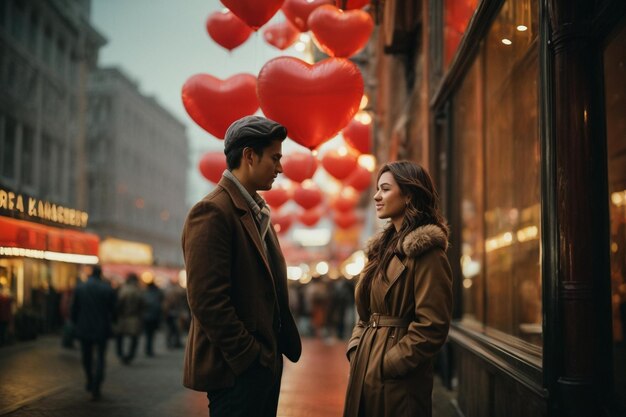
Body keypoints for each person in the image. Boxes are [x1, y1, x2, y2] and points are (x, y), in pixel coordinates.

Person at [181, 115, 302, 417]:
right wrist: (249, 356)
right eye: (274, 158)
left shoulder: (257, 210)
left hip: (262, 368)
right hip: (236, 373)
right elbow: (207, 301)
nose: (280, 167)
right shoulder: (212, 211)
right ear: (249, 156)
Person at [343, 161, 453, 417]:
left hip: (397, 376)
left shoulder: (426, 252)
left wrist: (390, 363)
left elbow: (433, 325)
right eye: (377, 189)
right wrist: (357, 347)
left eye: (385, 189)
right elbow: (365, 312)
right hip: (365, 365)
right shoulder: (381, 250)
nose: (376, 196)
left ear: (408, 196)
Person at [71, 265, 116, 400]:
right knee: (101, 357)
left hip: (84, 327)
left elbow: (74, 309)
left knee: (86, 356)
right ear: (101, 274)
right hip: (101, 327)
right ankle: (97, 385)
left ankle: (90, 379)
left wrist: (75, 323)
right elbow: (113, 310)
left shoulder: (80, 288)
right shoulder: (107, 289)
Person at [115, 273, 144, 364]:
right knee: (134, 338)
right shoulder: (138, 291)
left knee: (120, 337)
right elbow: (142, 305)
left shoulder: (122, 290)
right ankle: (130, 356)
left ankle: (121, 354)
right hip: (134, 317)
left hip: (122, 317)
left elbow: (118, 304)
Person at [142, 276, 163, 357]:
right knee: (151, 334)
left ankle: (148, 349)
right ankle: (149, 349)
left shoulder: (145, 293)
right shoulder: (158, 293)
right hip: (154, 316)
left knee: (148, 334)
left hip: (146, 316)